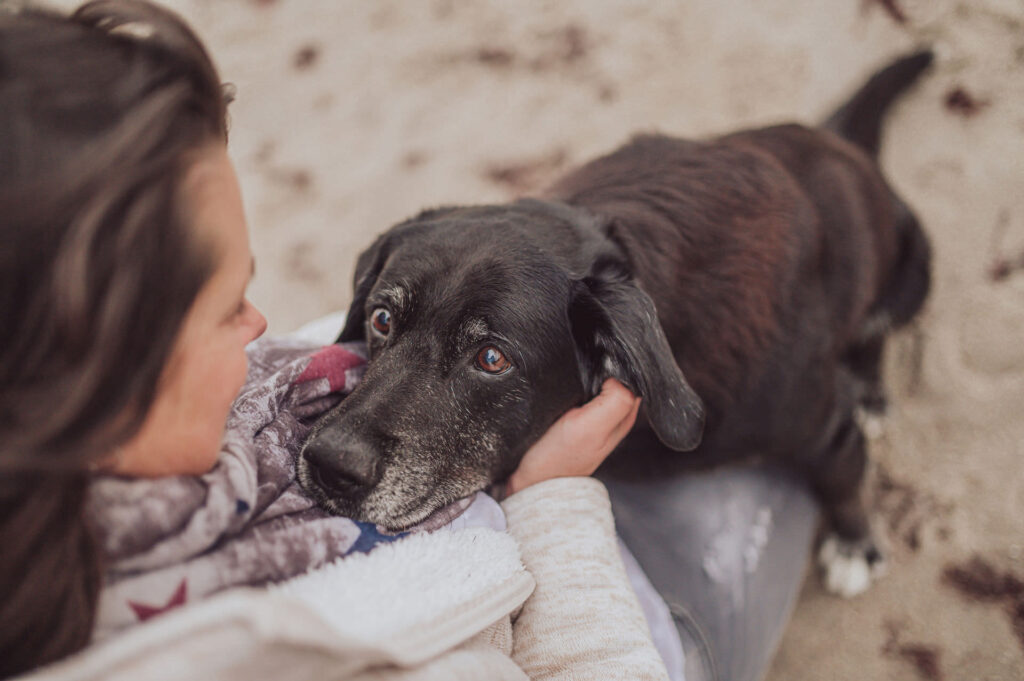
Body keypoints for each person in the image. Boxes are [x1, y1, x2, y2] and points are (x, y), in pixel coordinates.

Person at [0, 2, 821, 680]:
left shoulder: (78, 496)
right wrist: (550, 498)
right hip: (625, 622)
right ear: (84, 380)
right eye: (225, 309)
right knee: (751, 490)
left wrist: (397, 321)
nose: (261, 329)